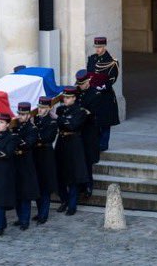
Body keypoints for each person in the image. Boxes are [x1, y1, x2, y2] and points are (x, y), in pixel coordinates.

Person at [55, 86, 89, 216]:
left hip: (74, 143)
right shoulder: (60, 109)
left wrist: (59, 119)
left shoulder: (80, 111)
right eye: (64, 97)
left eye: (68, 97)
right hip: (62, 142)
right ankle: (64, 200)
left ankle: (72, 205)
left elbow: (72, 125)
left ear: (74, 98)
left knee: (73, 176)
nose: (65, 100)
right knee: (60, 174)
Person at [86, 36, 120, 151]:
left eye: (100, 47)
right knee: (94, 120)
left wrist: (101, 86)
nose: (97, 50)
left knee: (105, 121)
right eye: (96, 47)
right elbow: (88, 74)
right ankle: (96, 142)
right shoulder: (92, 59)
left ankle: (103, 144)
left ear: (104, 46)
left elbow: (112, 79)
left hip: (105, 95)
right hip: (93, 94)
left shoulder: (112, 62)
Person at [13, 101, 40, 230]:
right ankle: (19, 217)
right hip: (15, 163)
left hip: (26, 163)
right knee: (17, 193)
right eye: (19, 114)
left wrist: (15, 139)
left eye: (23, 114)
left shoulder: (32, 129)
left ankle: (25, 220)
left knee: (25, 195)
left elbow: (28, 144)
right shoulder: (15, 126)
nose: (21, 117)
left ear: (29, 115)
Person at [75, 69, 101, 198]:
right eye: (79, 84)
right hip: (78, 132)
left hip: (89, 132)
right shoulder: (77, 93)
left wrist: (84, 112)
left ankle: (88, 185)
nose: (80, 86)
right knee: (79, 160)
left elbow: (94, 115)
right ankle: (81, 185)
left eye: (82, 84)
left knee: (87, 161)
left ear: (88, 81)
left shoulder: (95, 94)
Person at [33, 96, 58, 224]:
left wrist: (35, 135)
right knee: (38, 184)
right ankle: (39, 212)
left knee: (45, 186)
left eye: (43, 108)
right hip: (36, 154)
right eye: (39, 107)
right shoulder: (36, 120)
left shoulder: (52, 122)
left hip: (46, 154)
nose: (40, 110)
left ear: (49, 108)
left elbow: (46, 137)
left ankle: (44, 214)